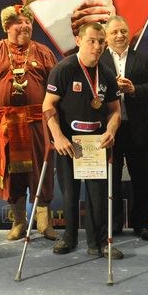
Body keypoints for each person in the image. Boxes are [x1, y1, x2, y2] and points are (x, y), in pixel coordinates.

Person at [42, 22, 124, 259]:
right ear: (78, 41)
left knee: (98, 196)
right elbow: (48, 105)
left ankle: (98, 242)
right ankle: (69, 238)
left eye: (101, 42)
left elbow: (115, 111)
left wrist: (111, 131)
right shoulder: (64, 69)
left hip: (96, 144)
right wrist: (57, 136)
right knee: (70, 194)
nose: (97, 47)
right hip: (69, 143)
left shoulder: (106, 73)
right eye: (92, 41)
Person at [0, 1, 58, 241]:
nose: (25, 26)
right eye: (18, 22)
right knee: (13, 175)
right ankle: (19, 222)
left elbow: (55, 88)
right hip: (6, 125)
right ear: (6, 26)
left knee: (41, 171)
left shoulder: (43, 52)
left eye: (28, 22)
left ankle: (44, 222)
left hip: (37, 124)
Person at [99, 15, 148, 240]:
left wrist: (134, 90)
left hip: (138, 128)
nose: (120, 35)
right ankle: (113, 224)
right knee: (111, 179)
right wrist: (111, 89)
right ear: (106, 37)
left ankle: (141, 223)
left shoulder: (144, 59)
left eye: (123, 31)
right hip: (109, 130)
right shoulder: (98, 61)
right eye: (114, 32)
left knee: (141, 178)